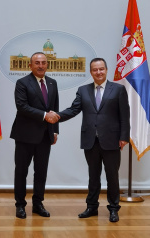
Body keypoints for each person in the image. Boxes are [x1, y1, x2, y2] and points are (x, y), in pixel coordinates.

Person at [51, 58, 130, 222]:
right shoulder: (83, 90)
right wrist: (57, 116)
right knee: (93, 176)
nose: (99, 72)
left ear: (106, 70)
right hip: (90, 141)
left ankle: (114, 209)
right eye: (95, 70)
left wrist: (124, 137)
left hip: (112, 140)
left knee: (112, 177)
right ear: (91, 72)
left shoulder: (118, 89)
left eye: (101, 69)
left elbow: (124, 116)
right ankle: (92, 207)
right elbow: (73, 110)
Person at [10, 52, 59, 219]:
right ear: (30, 65)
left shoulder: (52, 83)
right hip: (25, 135)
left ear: (47, 64)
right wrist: (45, 116)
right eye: (37, 63)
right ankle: (20, 205)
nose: (41, 65)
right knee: (21, 171)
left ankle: (38, 204)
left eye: (44, 62)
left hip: (45, 136)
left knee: (41, 172)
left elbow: (54, 109)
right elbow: (22, 106)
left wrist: (55, 130)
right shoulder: (22, 83)